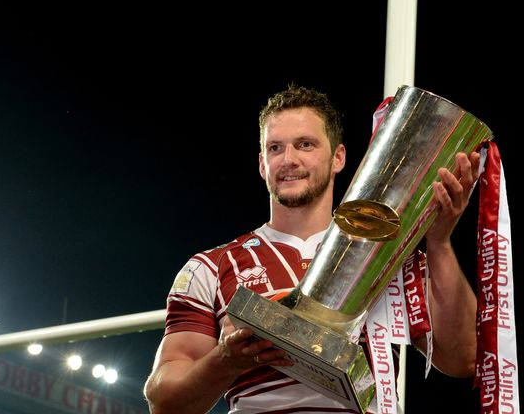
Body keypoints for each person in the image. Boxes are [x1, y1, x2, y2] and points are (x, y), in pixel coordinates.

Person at [143, 85, 479, 413]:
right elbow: (163, 401)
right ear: (262, 164)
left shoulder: (388, 256)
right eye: (275, 148)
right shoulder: (211, 267)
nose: (288, 160)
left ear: (338, 157)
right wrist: (225, 360)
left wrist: (439, 242)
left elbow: (463, 357)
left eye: (305, 145)